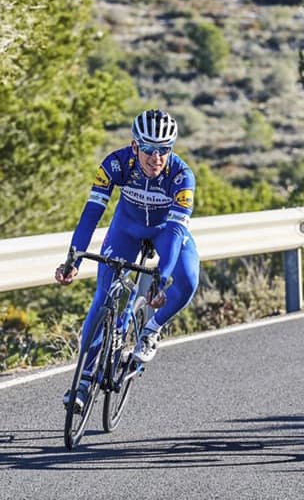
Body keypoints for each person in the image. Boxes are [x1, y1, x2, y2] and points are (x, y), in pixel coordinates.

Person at [55, 109, 200, 411]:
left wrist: (162, 278)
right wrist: (74, 259)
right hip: (127, 229)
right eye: (148, 149)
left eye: (164, 150)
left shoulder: (182, 176)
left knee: (187, 281)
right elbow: (92, 212)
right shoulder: (116, 163)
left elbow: (175, 231)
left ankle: (151, 330)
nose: (155, 158)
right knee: (103, 298)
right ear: (135, 146)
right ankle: (83, 381)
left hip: (165, 232)